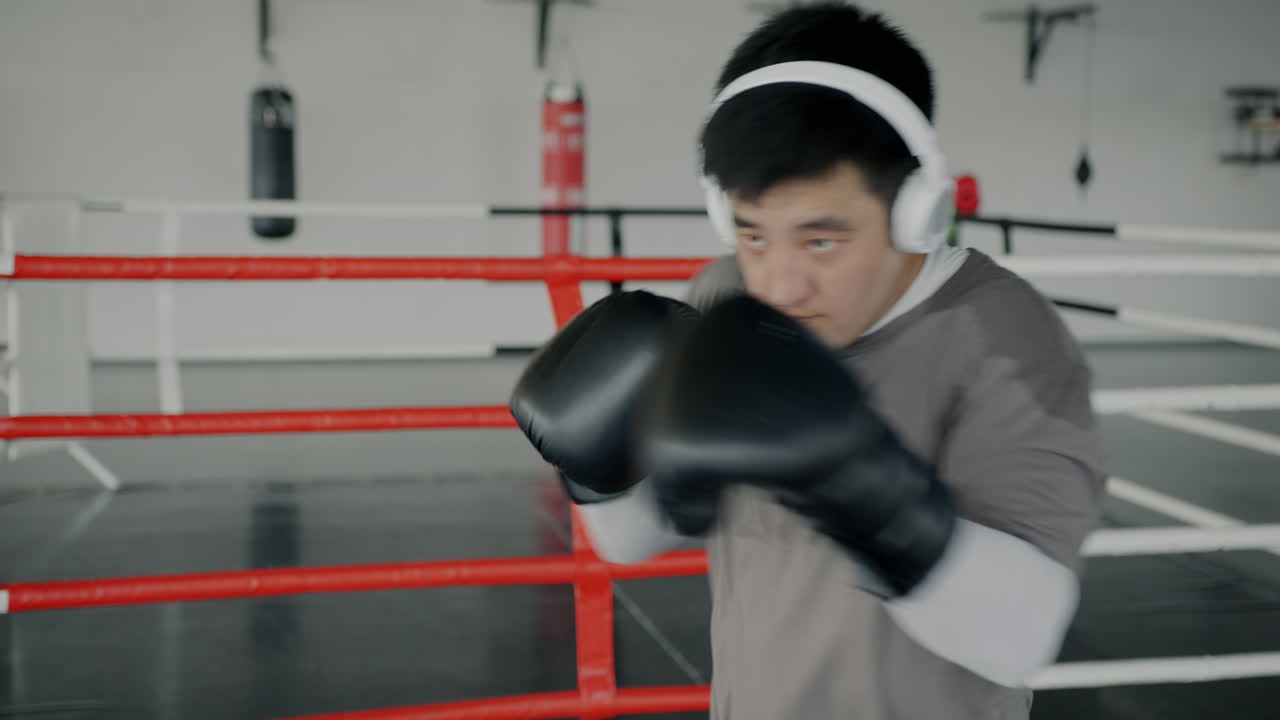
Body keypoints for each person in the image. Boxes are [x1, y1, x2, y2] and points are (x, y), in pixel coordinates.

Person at [509, 3, 1108, 718]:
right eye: (754, 235)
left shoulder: (1006, 338)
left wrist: (857, 483)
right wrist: (596, 473)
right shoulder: (725, 293)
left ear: (916, 207)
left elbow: (1021, 638)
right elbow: (637, 539)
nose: (781, 285)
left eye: (822, 241)